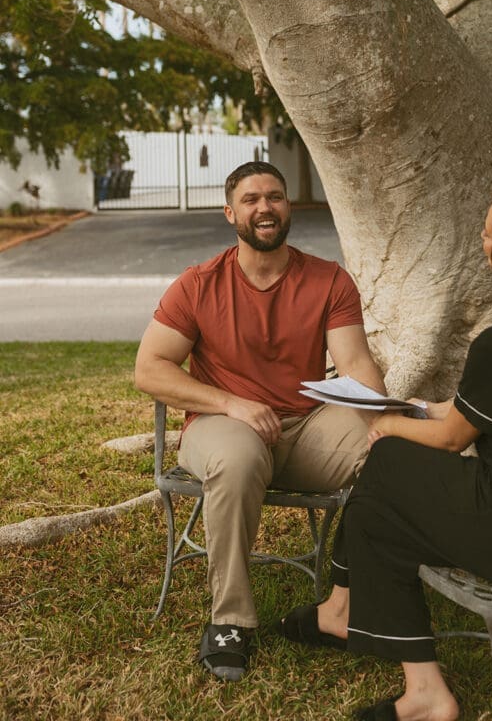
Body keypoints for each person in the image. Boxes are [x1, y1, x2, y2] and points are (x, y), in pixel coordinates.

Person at [280, 181, 492, 721]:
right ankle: (352, 620)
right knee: (383, 498)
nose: (480, 236)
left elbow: (452, 439)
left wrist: (389, 422)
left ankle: (404, 672)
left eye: (487, 231)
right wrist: (429, 407)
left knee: (386, 470)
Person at [135, 161, 384, 682]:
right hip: (221, 427)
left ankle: (347, 604)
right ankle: (230, 621)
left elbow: (356, 364)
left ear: (287, 208)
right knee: (237, 456)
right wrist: (231, 403)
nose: (264, 207)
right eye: (250, 199)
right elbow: (149, 369)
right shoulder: (199, 284)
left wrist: (381, 419)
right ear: (231, 213)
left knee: (389, 451)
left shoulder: (328, 279)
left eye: (274, 196)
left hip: (304, 426)